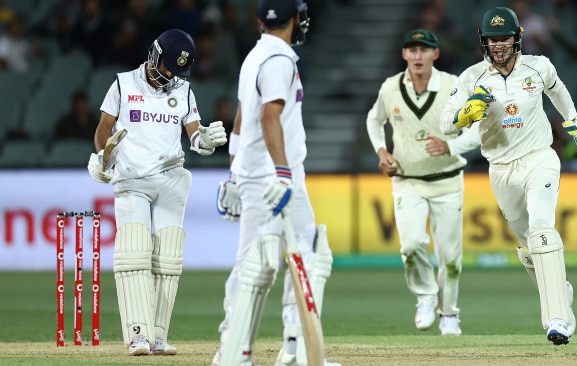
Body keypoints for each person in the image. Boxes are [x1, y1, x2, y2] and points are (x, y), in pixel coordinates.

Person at [440, 7, 577, 345]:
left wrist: (576, 125)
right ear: (484, 42)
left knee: (543, 226)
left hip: (540, 158)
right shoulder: (471, 78)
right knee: (530, 245)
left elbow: (557, 90)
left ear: (517, 39)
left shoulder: (538, 66)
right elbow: (446, 124)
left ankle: (557, 320)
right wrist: (466, 113)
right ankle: (560, 291)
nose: (499, 46)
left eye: (505, 39)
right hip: (500, 169)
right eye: (492, 40)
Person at [211, 1, 339, 365]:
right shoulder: (279, 61)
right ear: (296, 19)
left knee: (293, 253)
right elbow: (269, 118)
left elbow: (240, 119)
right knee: (296, 258)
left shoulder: (255, 56)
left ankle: (282, 351)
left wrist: (235, 174)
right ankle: (243, 353)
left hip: (257, 175)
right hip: (277, 177)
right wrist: (282, 173)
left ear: (258, 21)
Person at [87, 28, 227, 356]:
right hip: (132, 178)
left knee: (168, 257)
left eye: (175, 72)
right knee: (134, 253)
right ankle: (138, 335)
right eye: (165, 67)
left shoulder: (184, 90)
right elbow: (104, 129)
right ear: (154, 54)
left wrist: (203, 141)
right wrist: (102, 155)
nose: (168, 75)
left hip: (170, 177)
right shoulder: (123, 84)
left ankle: (159, 336)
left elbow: (193, 134)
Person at [366, 28, 480, 337]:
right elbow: (373, 120)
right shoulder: (390, 88)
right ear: (404, 54)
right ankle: (427, 296)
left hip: (447, 181)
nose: (417, 56)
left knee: (450, 258)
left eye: (424, 50)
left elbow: (477, 129)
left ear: (436, 54)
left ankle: (450, 314)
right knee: (412, 245)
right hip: (407, 180)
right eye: (412, 50)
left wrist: (450, 146)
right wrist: (381, 151)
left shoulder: (454, 86)